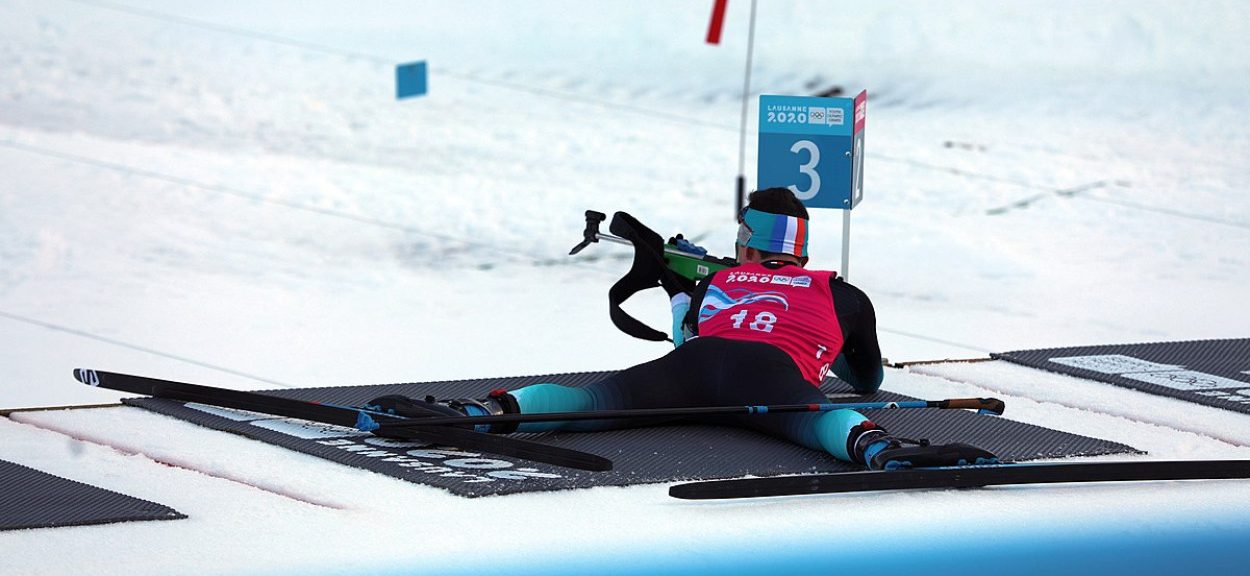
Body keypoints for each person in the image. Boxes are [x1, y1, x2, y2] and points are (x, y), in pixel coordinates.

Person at [372, 188, 994, 470]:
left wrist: (681, 290)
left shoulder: (720, 281)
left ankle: (477, 412)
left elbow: (686, 340)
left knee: (590, 401)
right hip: (772, 381)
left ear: (746, 241)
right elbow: (866, 379)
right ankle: (883, 451)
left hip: (695, 371)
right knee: (824, 419)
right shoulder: (841, 292)